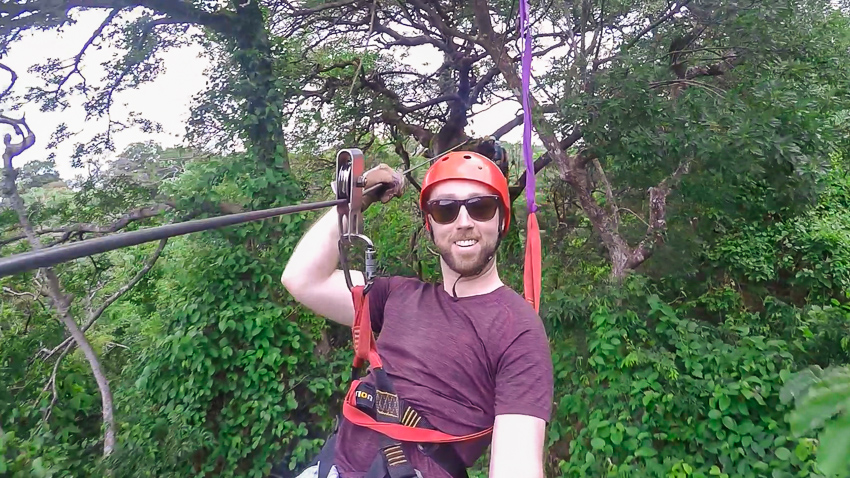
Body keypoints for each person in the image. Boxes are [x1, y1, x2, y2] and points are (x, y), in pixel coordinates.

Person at [280, 151, 554, 478]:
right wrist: (351, 203)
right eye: (445, 210)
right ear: (430, 224)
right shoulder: (398, 295)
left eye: (481, 207)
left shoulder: (517, 328)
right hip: (330, 468)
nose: (464, 222)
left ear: (502, 219)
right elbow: (302, 279)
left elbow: (516, 466)